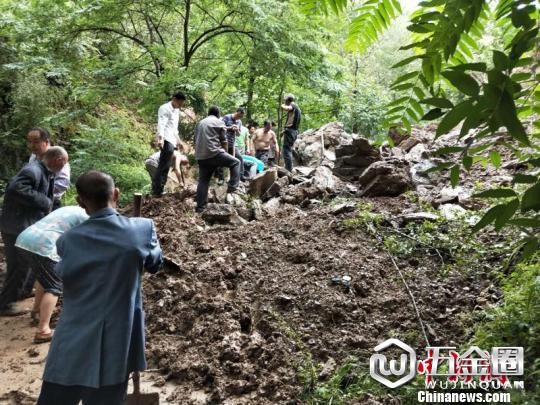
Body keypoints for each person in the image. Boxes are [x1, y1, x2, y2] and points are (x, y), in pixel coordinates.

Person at [37, 171, 163, 405]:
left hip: (71, 342)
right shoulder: (142, 230)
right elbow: (155, 264)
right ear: (116, 194)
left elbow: (65, 275)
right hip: (116, 343)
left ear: (80, 202)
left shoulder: (67, 241)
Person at [0, 147, 69, 316]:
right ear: (58, 160)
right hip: (15, 226)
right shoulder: (33, 170)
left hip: (23, 225)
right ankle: (5, 304)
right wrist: (44, 201)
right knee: (18, 266)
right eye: (64, 163)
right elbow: (15, 188)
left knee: (25, 264)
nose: (64, 167)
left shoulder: (44, 171)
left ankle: (20, 292)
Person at [15, 206, 89, 343]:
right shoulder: (88, 216)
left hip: (25, 238)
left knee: (44, 278)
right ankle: (43, 331)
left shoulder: (72, 209)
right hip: (42, 245)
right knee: (55, 285)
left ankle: (36, 311)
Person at [194, 106, 241, 212]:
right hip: (214, 153)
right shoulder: (219, 122)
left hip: (201, 156)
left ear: (208, 113)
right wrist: (224, 154)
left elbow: (195, 139)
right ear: (218, 114)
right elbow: (224, 141)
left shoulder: (200, 123)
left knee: (203, 181)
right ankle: (232, 186)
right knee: (236, 162)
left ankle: (200, 208)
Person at [152, 92, 187, 196]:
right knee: (163, 165)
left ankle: (160, 189)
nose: (180, 106)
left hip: (172, 140)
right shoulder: (164, 108)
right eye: (179, 103)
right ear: (174, 99)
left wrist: (179, 141)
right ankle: (157, 190)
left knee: (166, 166)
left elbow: (174, 129)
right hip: (166, 139)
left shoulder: (176, 111)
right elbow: (161, 124)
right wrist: (160, 139)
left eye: (182, 104)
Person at [27, 127, 71, 210]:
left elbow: (62, 184)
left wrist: (40, 194)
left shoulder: (57, 156)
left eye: (36, 142)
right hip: (33, 201)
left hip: (50, 204)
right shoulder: (34, 156)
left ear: (46, 142)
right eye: (29, 142)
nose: (32, 145)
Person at [216, 107, 245, 182]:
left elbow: (238, 134)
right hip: (223, 142)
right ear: (236, 112)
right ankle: (221, 178)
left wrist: (237, 130)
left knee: (239, 158)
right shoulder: (226, 117)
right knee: (222, 159)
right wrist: (230, 128)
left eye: (241, 117)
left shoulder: (239, 121)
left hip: (232, 144)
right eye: (238, 115)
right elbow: (221, 128)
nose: (239, 117)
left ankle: (239, 177)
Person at [281, 94, 301, 171]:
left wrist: (282, 105)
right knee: (289, 149)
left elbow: (286, 108)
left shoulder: (293, 106)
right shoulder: (297, 109)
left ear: (287, 100)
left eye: (285, 100)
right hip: (292, 131)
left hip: (291, 131)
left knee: (286, 149)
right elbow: (291, 123)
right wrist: (284, 131)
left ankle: (288, 169)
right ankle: (289, 167)